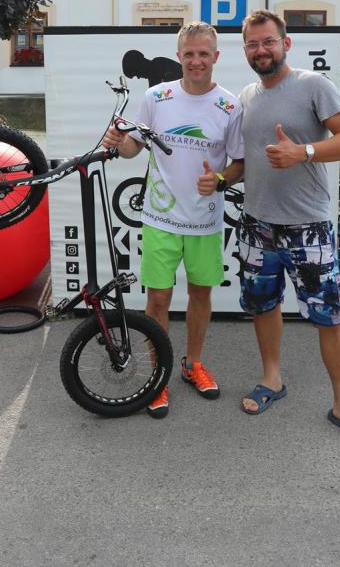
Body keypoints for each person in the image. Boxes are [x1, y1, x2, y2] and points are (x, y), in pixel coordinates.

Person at [236, 9, 340, 447]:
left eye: (268, 41)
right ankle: (272, 379)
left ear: (286, 44)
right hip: (257, 224)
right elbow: (248, 160)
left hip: (307, 227)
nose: (261, 50)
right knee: (264, 306)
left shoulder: (314, 85)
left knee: (328, 316)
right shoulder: (247, 96)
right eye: (252, 44)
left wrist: (305, 152)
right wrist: (219, 178)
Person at [103, 21, 244, 419]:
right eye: (190, 54)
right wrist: (117, 142)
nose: (196, 61)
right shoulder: (156, 97)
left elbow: (239, 163)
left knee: (200, 294)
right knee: (158, 299)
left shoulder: (230, 106)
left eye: (204, 54)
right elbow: (133, 148)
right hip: (160, 219)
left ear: (216, 57)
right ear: (179, 55)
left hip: (205, 221)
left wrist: (220, 179)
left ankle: (192, 364)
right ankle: (158, 374)